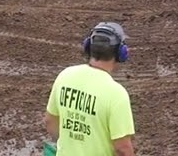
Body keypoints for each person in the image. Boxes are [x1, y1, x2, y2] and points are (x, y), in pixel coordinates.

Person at [45, 22, 135, 156]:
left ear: (88, 47)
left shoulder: (65, 75)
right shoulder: (116, 94)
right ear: (121, 52)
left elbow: (50, 122)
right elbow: (122, 148)